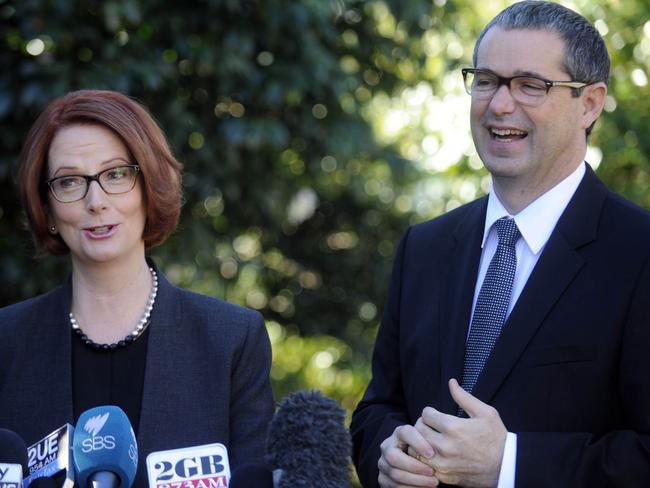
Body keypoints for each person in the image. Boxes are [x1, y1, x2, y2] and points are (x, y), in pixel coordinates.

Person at [350, 1, 650, 487]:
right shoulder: (424, 248)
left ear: (590, 104)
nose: (500, 104)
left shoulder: (638, 253)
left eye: (531, 85)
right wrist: (390, 453)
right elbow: (378, 408)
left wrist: (508, 464)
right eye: (486, 80)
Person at [0, 90, 275, 486]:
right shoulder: (6, 343)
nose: (96, 201)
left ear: (149, 186)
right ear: (48, 209)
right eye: (69, 182)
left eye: (115, 174)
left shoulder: (231, 339)